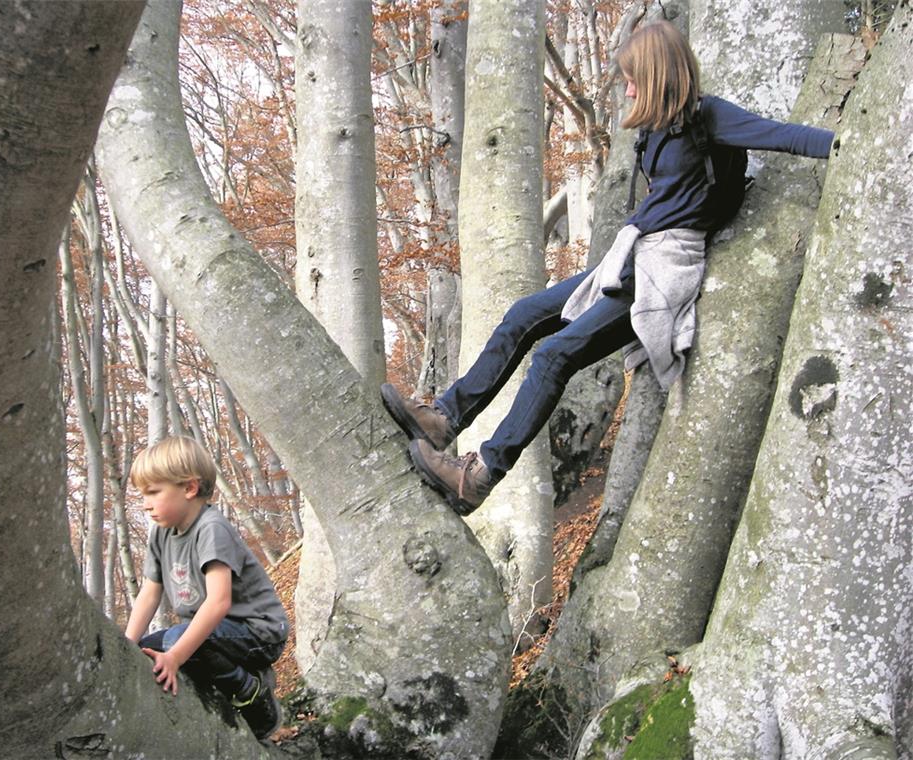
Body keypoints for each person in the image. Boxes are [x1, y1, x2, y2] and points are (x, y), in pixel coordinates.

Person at [381, 20, 834, 515]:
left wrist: (846, 146)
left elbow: (785, 136)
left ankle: (480, 477)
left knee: (554, 356)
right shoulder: (655, 131)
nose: (630, 88)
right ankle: (444, 418)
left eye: (635, 78)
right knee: (523, 315)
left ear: (661, 73)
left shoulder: (709, 118)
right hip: (632, 255)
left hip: (664, 267)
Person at [123, 436, 289, 740]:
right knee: (152, 648)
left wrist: (175, 657)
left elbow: (218, 603)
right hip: (219, 632)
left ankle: (253, 695)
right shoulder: (160, 534)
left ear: (189, 488)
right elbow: (149, 593)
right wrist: (127, 645)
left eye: (153, 492)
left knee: (176, 643)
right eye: (142, 494)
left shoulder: (210, 529)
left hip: (258, 631)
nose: (145, 504)